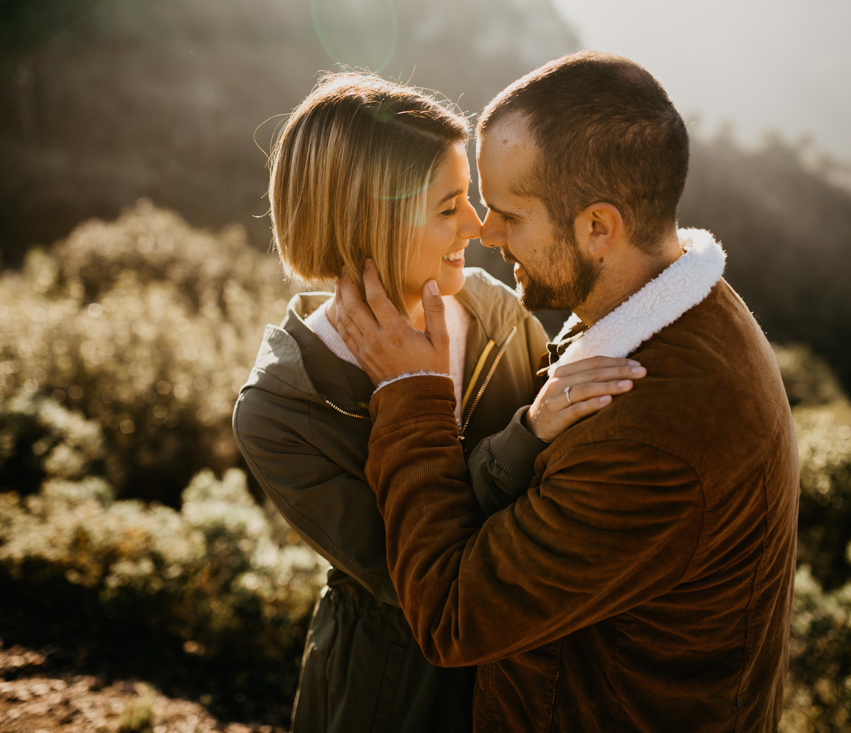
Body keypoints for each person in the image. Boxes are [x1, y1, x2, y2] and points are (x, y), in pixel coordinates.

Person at [334, 52, 800, 732]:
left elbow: (452, 614)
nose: (484, 233)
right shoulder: (683, 309)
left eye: (510, 215)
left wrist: (414, 393)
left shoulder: (650, 435)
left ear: (598, 228)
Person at [231, 72, 645, 733]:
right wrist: (524, 432)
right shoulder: (280, 410)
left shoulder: (499, 312)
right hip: (390, 698)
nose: (480, 226)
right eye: (449, 207)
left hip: (531, 685)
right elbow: (421, 574)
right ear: (369, 220)